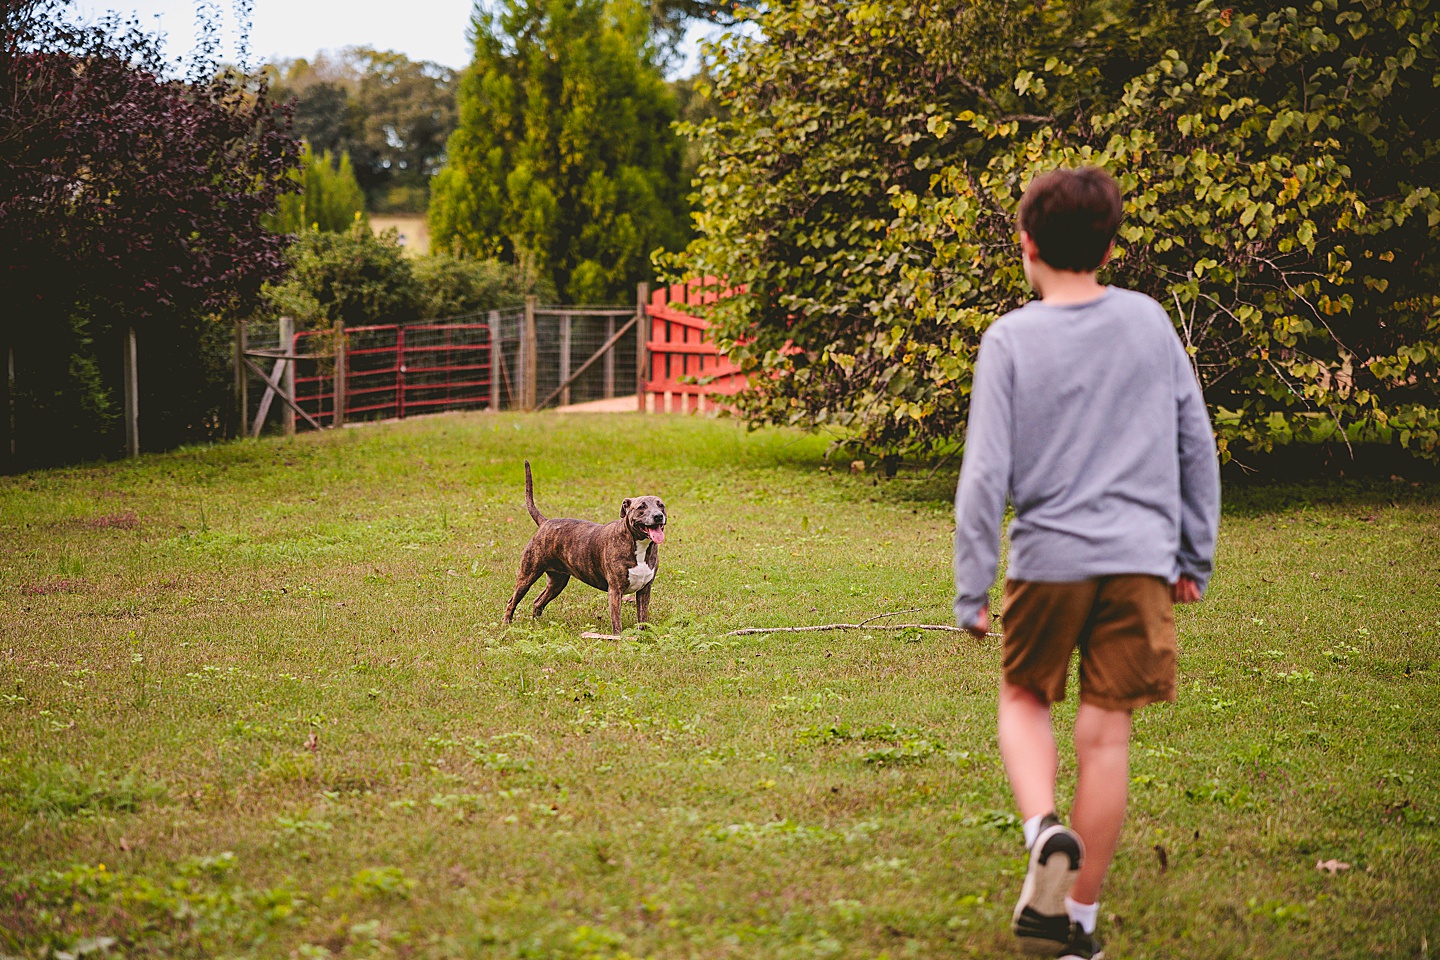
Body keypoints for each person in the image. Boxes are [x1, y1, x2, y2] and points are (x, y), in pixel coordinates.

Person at [952, 166, 1221, 959]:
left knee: (1024, 697)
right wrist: (1191, 553)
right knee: (1106, 740)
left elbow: (984, 476)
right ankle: (1079, 924)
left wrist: (973, 586)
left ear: (1026, 245)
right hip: (1140, 563)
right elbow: (1195, 446)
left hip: (1047, 561)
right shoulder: (1147, 323)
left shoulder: (1010, 338)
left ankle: (1043, 831)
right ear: (1111, 243)